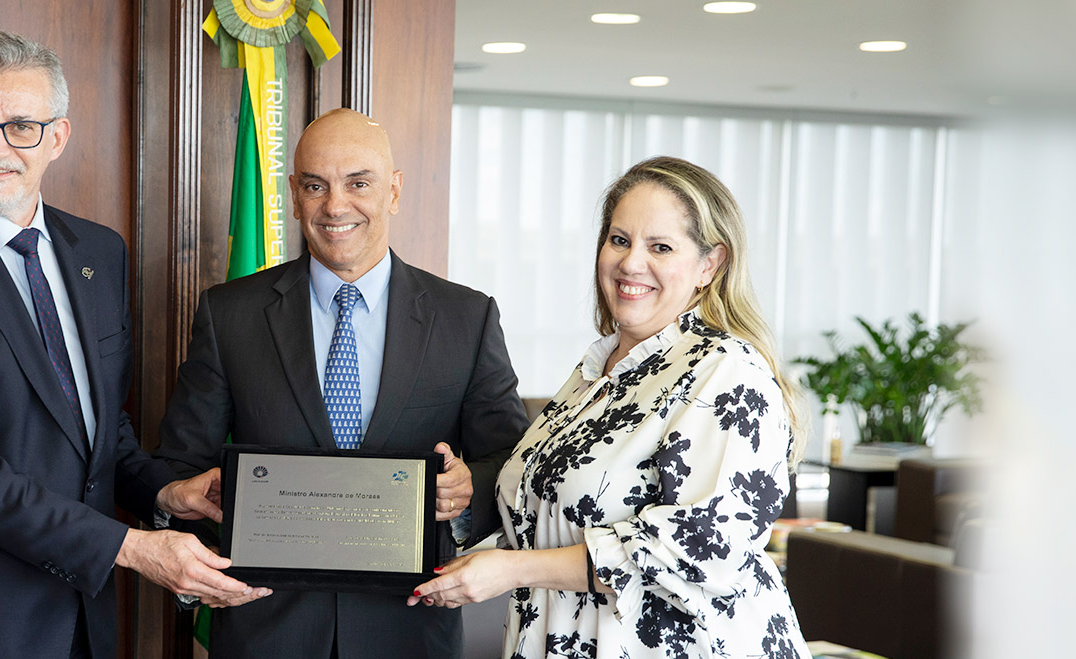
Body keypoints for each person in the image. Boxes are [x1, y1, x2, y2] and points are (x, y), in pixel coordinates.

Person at [0, 30, 264, 659]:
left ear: (57, 137)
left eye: (22, 127)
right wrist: (133, 549)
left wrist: (160, 492)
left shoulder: (97, 252)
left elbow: (96, 431)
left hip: (81, 623)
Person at [155, 108, 532, 659]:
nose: (335, 206)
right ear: (294, 194)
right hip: (264, 631)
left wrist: (468, 487)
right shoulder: (229, 314)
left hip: (409, 632)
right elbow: (177, 467)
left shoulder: (466, 318)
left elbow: (513, 463)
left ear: (394, 191)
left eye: (359, 183)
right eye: (315, 185)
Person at [408, 156, 810, 658]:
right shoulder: (600, 369)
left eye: (660, 247)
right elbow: (554, 505)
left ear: (710, 264)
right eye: (620, 240)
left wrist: (513, 569)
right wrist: (467, 497)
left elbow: (701, 549)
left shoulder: (726, 370)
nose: (630, 263)